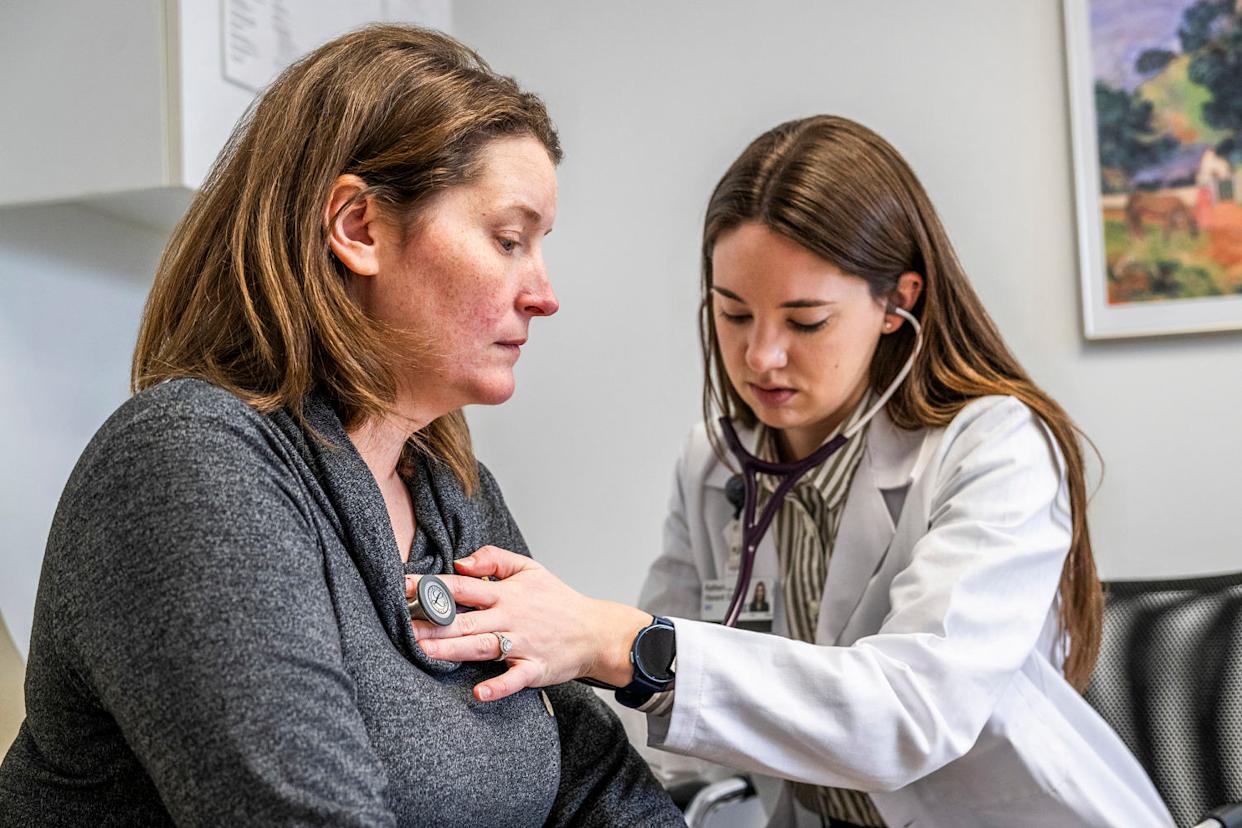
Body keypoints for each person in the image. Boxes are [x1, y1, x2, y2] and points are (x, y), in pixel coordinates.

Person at [0, 25, 681, 827]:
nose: (544, 294)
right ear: (358, 227)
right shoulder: (189, 464)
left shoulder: (452, 496)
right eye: (508, 240)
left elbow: (600, 788)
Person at [410, 116, 1175, 827]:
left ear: (897, 302)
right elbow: (672, 733)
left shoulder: (995, 448)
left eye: (806, 321)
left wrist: (615, 639)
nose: (761, 356)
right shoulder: (716, 464)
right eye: (734, 313)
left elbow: (910, 716)